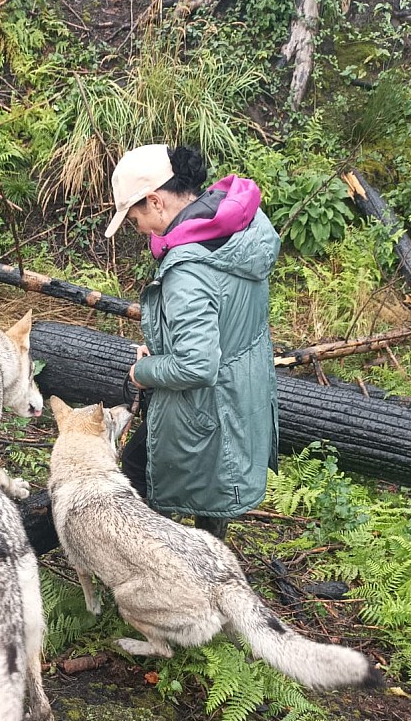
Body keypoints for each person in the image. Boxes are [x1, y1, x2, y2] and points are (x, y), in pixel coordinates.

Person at [104, 143, 280, 541]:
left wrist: (144, 371)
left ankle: (154, 587)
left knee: (137, 482)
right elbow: (226, 315)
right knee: (211, 513)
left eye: (135, 219)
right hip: (241, 400)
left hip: (203, 413)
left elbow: (198, 364)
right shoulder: (241, 228)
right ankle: (210, 585)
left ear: (155, 201)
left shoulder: (188, 267)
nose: (140, 230)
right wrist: (168, 345)